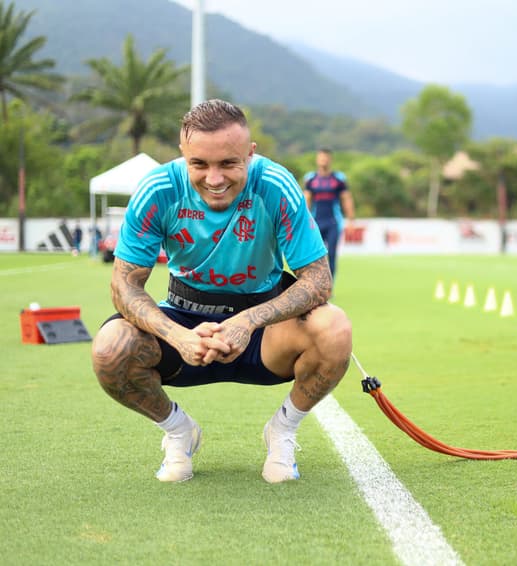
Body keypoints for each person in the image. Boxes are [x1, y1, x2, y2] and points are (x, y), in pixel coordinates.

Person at [91, 99, 352, 484]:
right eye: (199, 164)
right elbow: (124, 285)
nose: (214, 179)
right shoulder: (158, 189)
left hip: (263, 332)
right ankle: (179, 432)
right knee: (109, 349)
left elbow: (318, 280)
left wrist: (247, 321)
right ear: (183, 155)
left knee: (335, 329)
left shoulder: (276, 185)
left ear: (250, 153)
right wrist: (176, 335)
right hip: (185, 321)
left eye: (228, 163)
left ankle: (282, 431)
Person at [302, 148, 355, 281]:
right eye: (321, 157)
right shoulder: (311, 178)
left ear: (330, 159)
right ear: (317, 159)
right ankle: (315, 283)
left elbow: (346, 198)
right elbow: (306, 199)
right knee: (314, 255)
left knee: (331, 254)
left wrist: (351, 220)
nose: (323, 160)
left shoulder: (338, 179)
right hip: (316, 222)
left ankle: (329, 285)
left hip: (333, 222)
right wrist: (303, 220)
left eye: (326, 157)